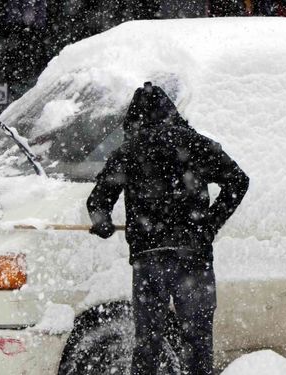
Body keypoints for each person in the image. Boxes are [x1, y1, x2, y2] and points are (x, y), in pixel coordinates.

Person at [86, 82, 249, 375]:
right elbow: (239, 181)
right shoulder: (196, 144)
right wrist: (209, 225)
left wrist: (103, 224)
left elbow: (98, 202)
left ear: (133, 120)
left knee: (148, 342)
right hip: (194, 259)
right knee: (198, 342)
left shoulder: (129, 151)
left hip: (149, 261)